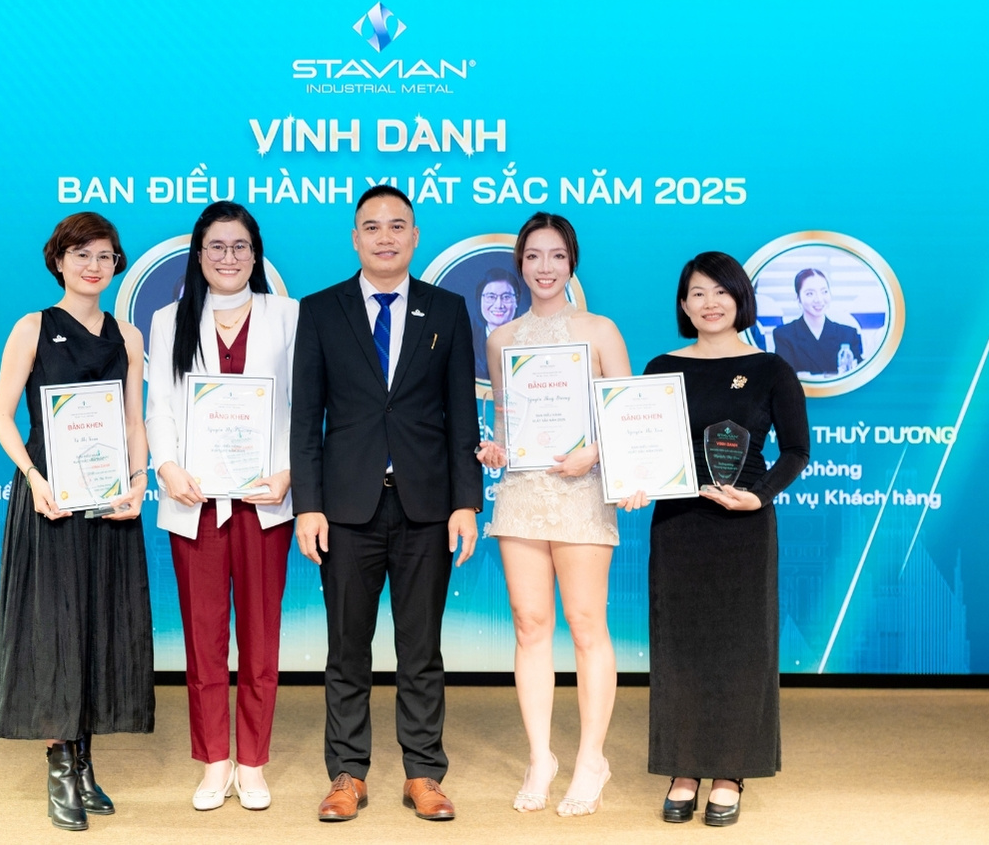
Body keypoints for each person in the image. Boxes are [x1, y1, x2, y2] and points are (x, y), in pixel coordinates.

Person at [291, 185, 483, 823]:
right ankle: (347, 774)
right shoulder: (321, 310)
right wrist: (308, 505)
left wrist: (466, 502)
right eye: (371, 226)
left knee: (421, 649)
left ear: (415, 236)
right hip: (346, 510)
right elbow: (306, 417)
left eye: (397, 225)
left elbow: (461, 415)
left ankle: (423, 773)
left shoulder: (447, 309)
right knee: (347, 649)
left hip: (427, 507)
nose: (384, 237)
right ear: (355, 238)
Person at [619, 251, 808, 828]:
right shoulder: (661, 367)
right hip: (678, 525)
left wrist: (760, 495)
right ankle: (684, 768)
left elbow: (796, 450)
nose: (710, 303)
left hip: (743, 526)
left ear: (740, 299)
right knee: (680, 648)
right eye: (697, 293)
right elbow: (640, 442)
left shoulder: (771, 368)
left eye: (721, 292)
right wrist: (633, 481)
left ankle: (730, 772)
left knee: (741, 649)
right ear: (683, 304)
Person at [0, 212, 155, 832]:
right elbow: (3, 416)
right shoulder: (33, 327)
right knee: (54, 628)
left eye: (105, 255)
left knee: (101, 623)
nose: (93, 265)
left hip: (109, 500)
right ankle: (59, 764)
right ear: (58, 261)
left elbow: (134, 421)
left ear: (117, 265)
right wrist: (34, 479)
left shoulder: (128, 335)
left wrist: (139, 482)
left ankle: (85, 761)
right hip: (50, 501)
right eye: (81, 254)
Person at [475, 213, 630, 817]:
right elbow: (508, 423)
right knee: (530, 623)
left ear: (572, 263)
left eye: (557, 256)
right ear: (520, 263)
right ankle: (541, 757)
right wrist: (497, 450)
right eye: (534, 256)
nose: (545, 267)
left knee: (587, 624)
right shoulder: (502, 339)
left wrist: (594, 452)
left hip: (581, 488)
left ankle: (592, 758)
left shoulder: (600, 330)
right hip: (521, 492)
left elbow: (624, 413)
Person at [145, 202, 298, 812]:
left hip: (264, 501)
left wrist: (290, 472)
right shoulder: (168, 320)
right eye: (216, 246)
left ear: (255, 255)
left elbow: (304, 402)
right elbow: (160, 407)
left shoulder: (287, 315)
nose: (228, 257)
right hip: (196, 503)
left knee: (261, 641)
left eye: (239, 246)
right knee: (203, 641)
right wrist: (167, 467)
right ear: (199, 254)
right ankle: (214, 761)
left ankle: (252, 762)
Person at [770, 267, 863, 376]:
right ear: (798, 298)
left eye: (824, 292)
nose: (819, 299)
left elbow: (858, 375)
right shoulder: (784, 335)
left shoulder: (849, 334)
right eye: (810, 293)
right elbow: (784, 378)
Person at [472, 267, 520, 382]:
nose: (498, 305)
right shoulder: (467, 340)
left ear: (516, 301)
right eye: (491, 297)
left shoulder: (531, 337)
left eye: (506, 297)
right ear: (480, 300)